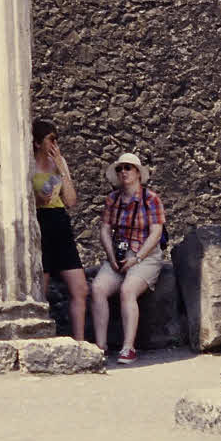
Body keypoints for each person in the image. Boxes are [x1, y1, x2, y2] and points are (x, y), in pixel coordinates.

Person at [92, 152, 166, 362]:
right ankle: (100, 347)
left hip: (145, 255)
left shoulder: (151, 199)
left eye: (128, 168)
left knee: (128, 290)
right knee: (97, 288)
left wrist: (138, 258)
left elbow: (156, 233)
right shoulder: (113, 199)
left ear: (138, 173)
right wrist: (111, 256)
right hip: (119, 254)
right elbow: (105, 229)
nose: (123, 172)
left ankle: (128, 347)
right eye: (119, 168)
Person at [30, 118, 88, 341]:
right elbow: (34, 200)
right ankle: (40, 338)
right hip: (40, 223)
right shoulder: (29, 165)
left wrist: (61, 169)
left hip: (60, 223)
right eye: (51, 139)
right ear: (38, 143)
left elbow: (71, 201)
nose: (55, 144)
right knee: (41, 289)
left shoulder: (59, 162)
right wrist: (41, 195)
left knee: (80, 288)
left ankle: (80, 341)